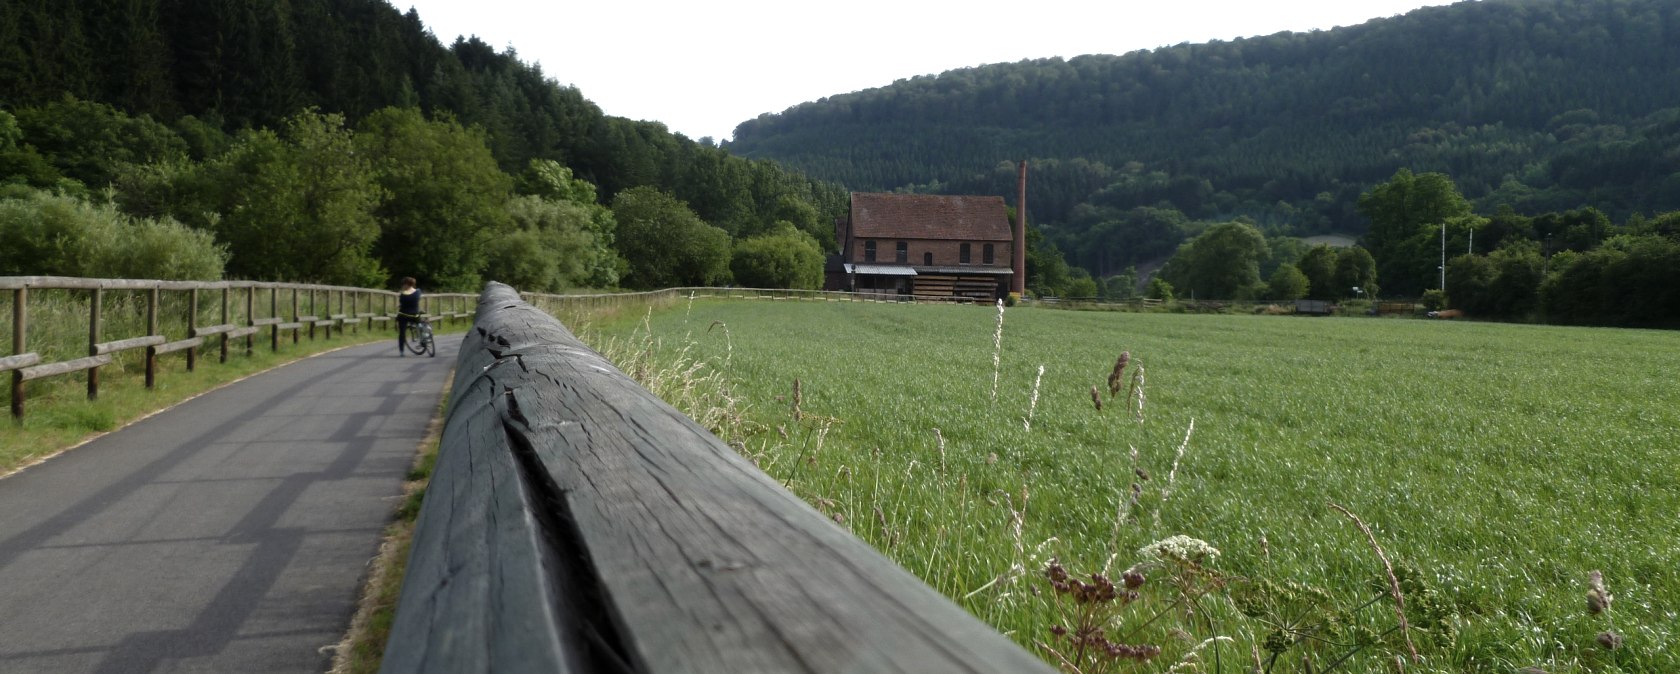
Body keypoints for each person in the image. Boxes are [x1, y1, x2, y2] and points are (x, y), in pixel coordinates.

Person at [397, 277, 422, 356]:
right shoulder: (418, 292)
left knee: (402, 333)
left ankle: (401, 351)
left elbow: (402, 304)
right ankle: (423, 339)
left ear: (406, 285)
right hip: (415, 315)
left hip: (404, 315)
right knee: (420, 324)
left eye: (403, 285)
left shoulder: (403, 294)